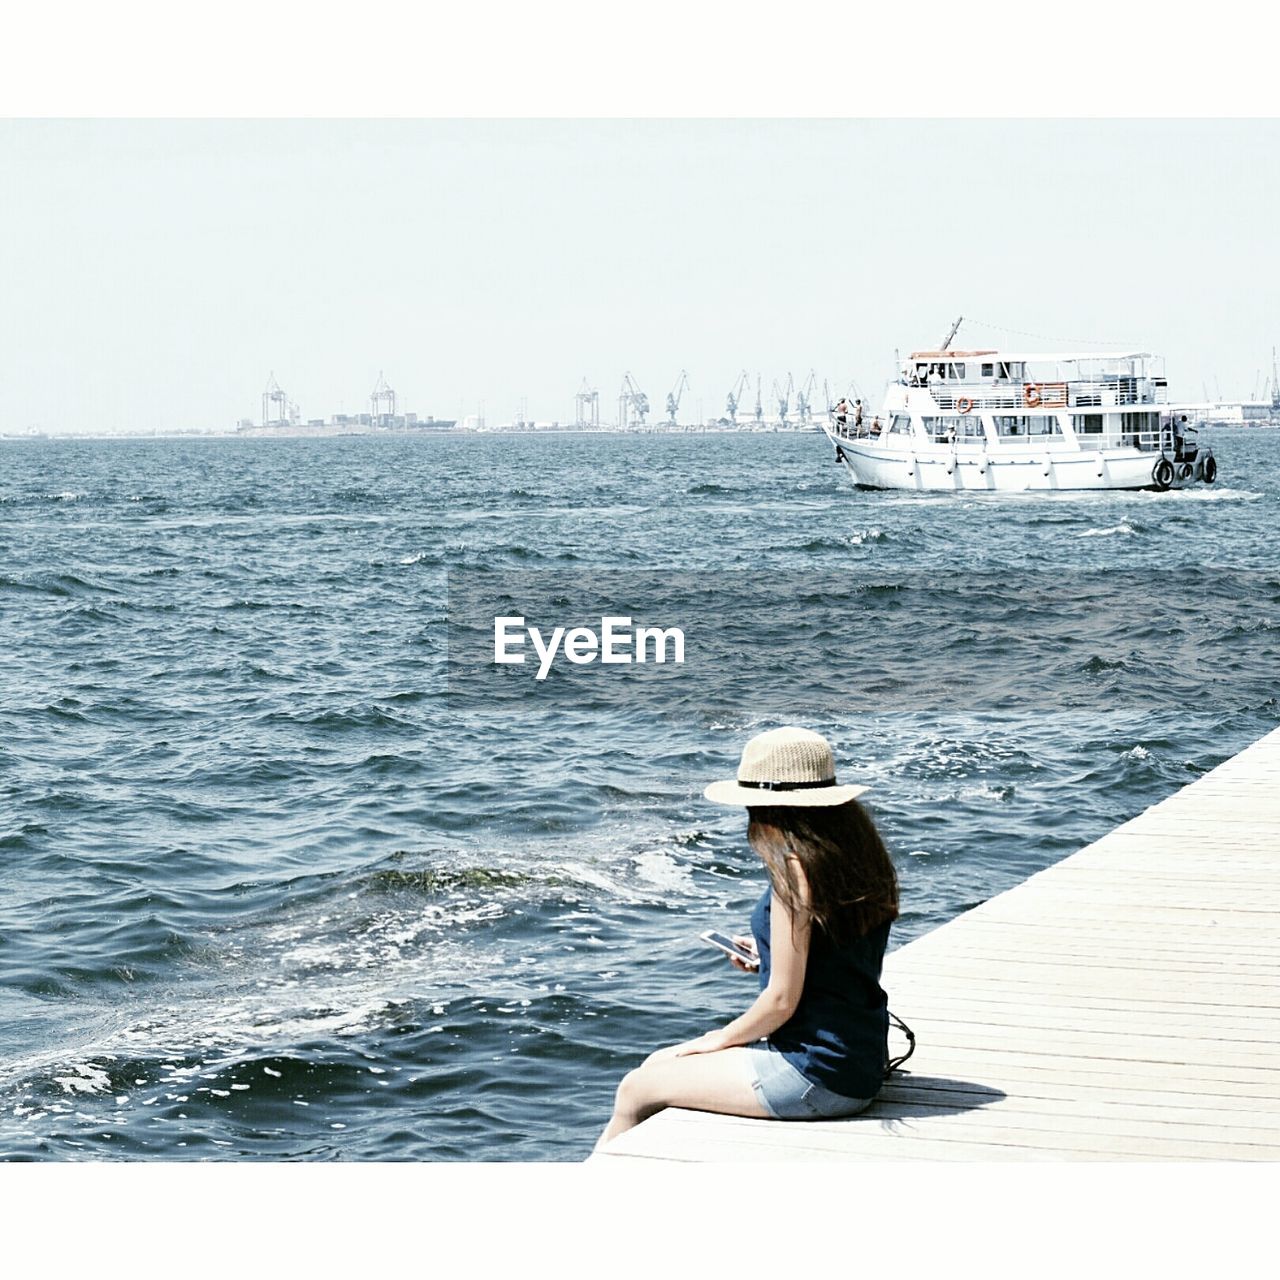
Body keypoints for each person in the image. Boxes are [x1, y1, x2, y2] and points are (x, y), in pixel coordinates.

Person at [595, 726, 900, 1150]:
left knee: (635, 1089)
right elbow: (843, 952)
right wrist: (770, 951)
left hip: (816, 1074)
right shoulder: (860, 854)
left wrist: (717, 1039)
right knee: (657, 1066)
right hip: (860, 1057)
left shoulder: (795, 870)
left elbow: (780, 1002)